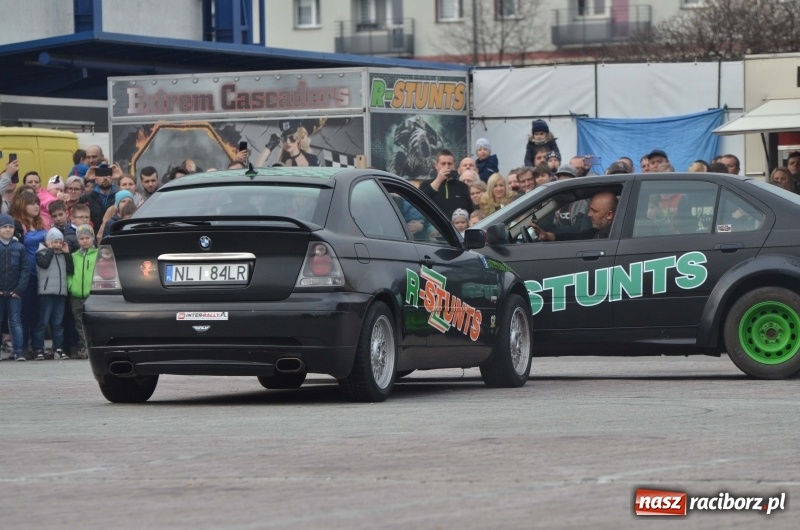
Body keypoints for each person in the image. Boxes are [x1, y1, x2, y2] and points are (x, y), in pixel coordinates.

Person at [11, 189, 47, 358]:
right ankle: (24, 346)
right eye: (31, 204)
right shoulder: (18, 225)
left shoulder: (42, 223)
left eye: (37, 204)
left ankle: (37, 346)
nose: (36, 206)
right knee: (25, 312)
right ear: (22, 205)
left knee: (38, 312)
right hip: (27, 275)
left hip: (43, 274)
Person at [33, 227, 73, 360]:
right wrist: (50, 250)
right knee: (43, 322)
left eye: (60, 242)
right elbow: (43, 265)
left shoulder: (63, 255)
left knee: (58, 323)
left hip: (60, 293)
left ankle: (58, 348)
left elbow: (70, 270)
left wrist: (67, 254)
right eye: (54, 242)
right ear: (49, 242)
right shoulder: (41, 253)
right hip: (46, 292)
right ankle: (38, 348)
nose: (57, 245)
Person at [0, 213, 29, 361]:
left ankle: (18, 351)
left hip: (14, 293)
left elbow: (25, 270)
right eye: (4, 226)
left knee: (16, 321)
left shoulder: (19, 247)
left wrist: (19, 289)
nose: (7, 230)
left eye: (10, 227)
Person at [533, 191, 617, 241]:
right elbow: (575, 237)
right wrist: (547, 236)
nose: (589, 214)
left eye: (594, 211)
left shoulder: (609, 237)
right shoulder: (596, 232)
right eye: (589, 209)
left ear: (609, 215)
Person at [66, 224, 96, 360]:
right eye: (81, 238)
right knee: (79, 324)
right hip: (76, 295)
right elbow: (70, 272)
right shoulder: (74, 256)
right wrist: (71, 285)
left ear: (92, 238)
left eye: (87, 237)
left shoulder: (99, 254)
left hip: (92, 296)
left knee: (92, 324)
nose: (84, 241)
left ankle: (93, 348)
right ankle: (85, 347)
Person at [419, 149, 473, 218]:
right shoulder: (426, 184)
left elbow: (470, 210)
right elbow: (420, 202)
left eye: (449, 164)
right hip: (435, 226)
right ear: (436, 165)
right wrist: (438, 180)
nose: (446, 167)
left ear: (454, 166)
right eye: (443, 163)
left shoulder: (463, 187)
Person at [79, 166, 117, 236]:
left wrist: (121, 177)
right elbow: (74, 202)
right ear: (96, 179)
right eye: (101, 175)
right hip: (92, 237)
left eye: (108, 175)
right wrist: (85, 179)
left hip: (113, 235)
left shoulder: (118, 197)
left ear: (112, 178)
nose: (105, 178)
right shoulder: (87, 197)